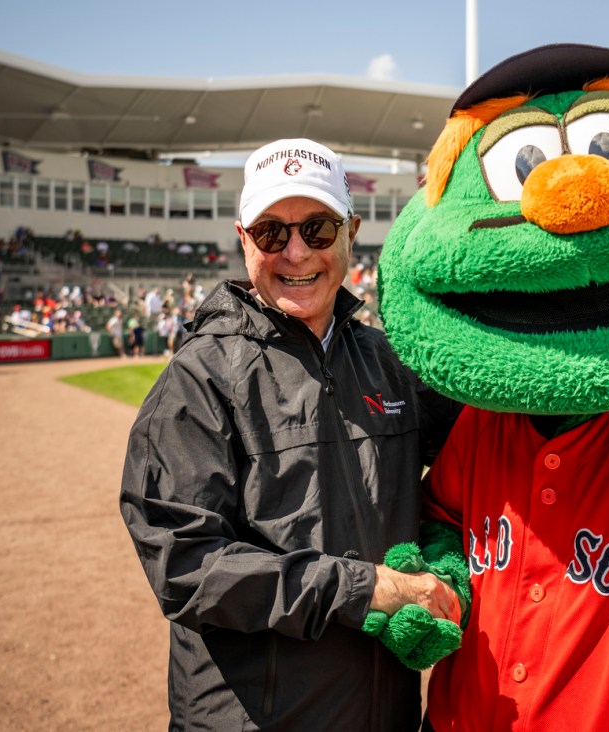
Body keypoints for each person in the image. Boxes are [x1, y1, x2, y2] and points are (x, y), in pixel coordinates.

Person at [120, 138, 463, 730]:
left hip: (385, 712)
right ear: (243, 238)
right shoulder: (199, 378)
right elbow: (185, 564)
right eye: (271, 233)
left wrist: (439, 549)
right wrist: (363, 588)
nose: (296, 252)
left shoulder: (392, 361)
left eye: (319, 229)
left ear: (351, 231)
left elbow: (480, 463)